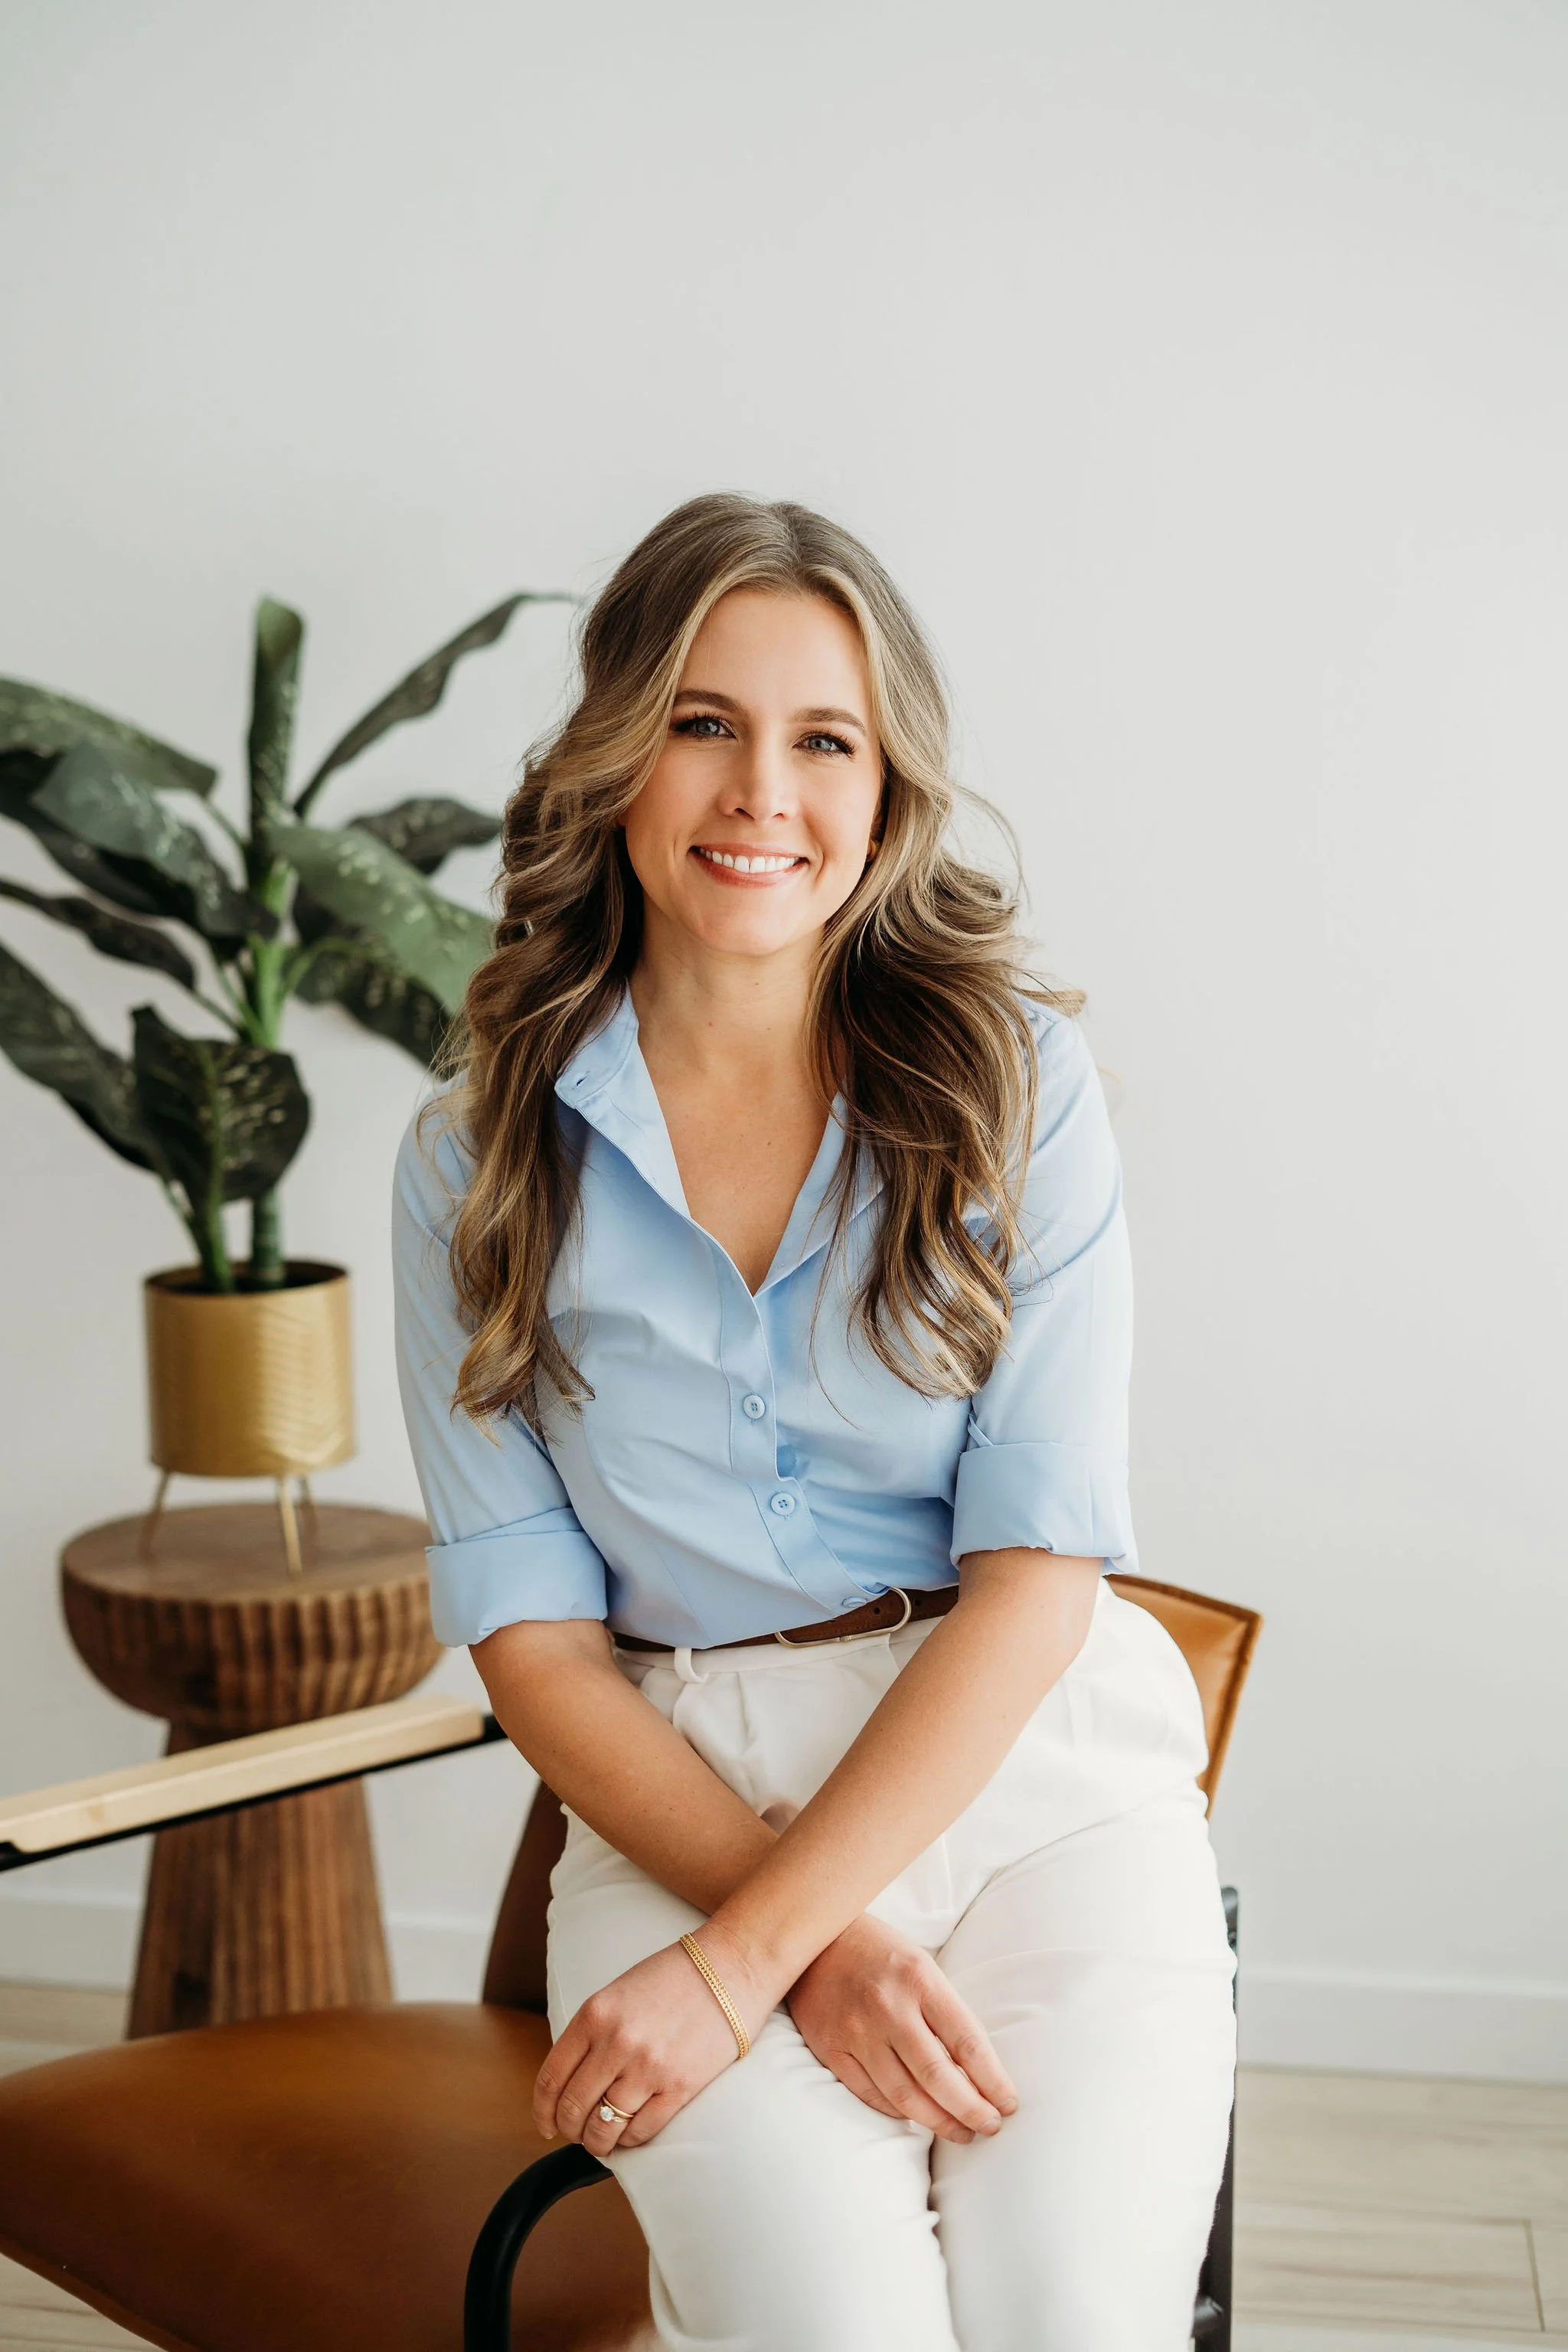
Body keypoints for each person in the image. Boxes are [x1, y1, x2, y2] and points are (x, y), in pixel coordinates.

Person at [392, 493, 1236, 2352]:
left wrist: (750, 1964)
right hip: (684, 1803)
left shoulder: (1017, 1087)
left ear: (885, 790)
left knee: (1073, 2326)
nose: (758, 790)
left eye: (821, 739)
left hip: (1037, 1792)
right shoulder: (472, 1163)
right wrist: (778, 1943)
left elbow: (1035, 1575)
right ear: (614, 754)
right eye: (703, 721)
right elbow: (531, 1645)